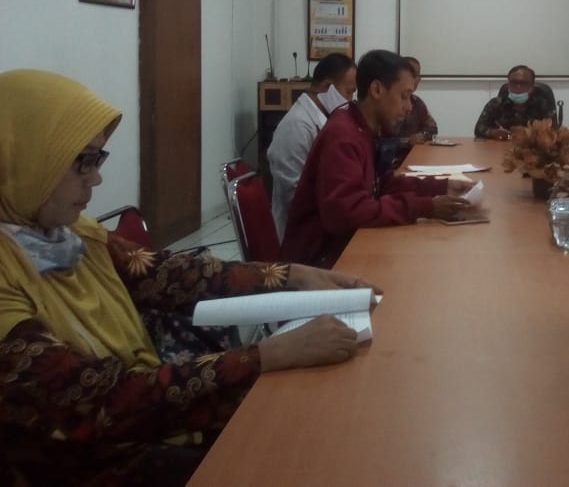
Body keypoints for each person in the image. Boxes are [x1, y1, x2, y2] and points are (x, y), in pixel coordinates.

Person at [0, 69, 376, 485]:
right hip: (87, 465)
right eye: (82, 161)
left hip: (143, 427)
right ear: (23, 161)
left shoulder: (71, 235)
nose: (97, 177)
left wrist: (293, 276)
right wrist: (265, 356)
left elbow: (172, 274)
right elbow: (101, 401)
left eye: (97, 159)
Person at [281, 50, 474, 268]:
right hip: (321, 262)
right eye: (404, 96)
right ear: (377, 90)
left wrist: (442, 186)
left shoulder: (364, 128)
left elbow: (381, 185)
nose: (409, 107)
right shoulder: (343, 135)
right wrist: (425, 207)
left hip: (344, 246)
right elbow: (344, 213)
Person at [267, 53, 357, 243]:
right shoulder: (297, 126)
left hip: (324, 223)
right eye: (349, 92)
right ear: (327, 87)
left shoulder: (324, 118)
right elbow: (295, 197)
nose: (350, 100)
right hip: (302, 235)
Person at [474, 65, 556, 140]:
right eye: (514, 83)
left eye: (523, 83)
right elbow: (478, 128)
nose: (518, 87)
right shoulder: (496, 103)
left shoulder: (542, 105)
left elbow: (554, 131)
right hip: (501, 147)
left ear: (531, 87)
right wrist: (492, 133)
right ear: (508, 85)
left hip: (532, 148)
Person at [396, 56, 439, 146]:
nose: (414, 79)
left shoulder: (417, 102)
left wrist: (423, 135)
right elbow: (376, 143)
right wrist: (407, 141)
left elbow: (433, 128)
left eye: (416, 75)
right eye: (410, 74)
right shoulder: (388, 101)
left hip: (414, 152)